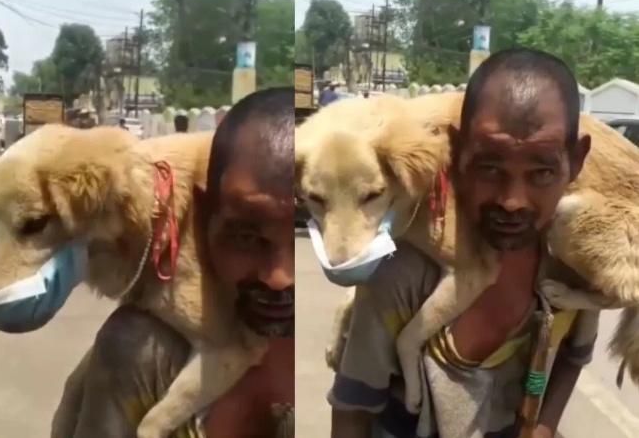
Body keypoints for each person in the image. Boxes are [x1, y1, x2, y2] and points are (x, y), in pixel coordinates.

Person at [328, 49, 599, 438]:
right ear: (456, 154)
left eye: (541, 172)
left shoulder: (576, 264)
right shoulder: (403, 275)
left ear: (576, 160)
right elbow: (354, 407)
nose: (512, 200)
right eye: (489, 168)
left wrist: (541, 429)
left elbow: (574, 357)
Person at [51, 87, 295, 438]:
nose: (279, 278)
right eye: (246, 237)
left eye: (295, 240)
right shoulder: (140, 350)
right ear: (204, 214)